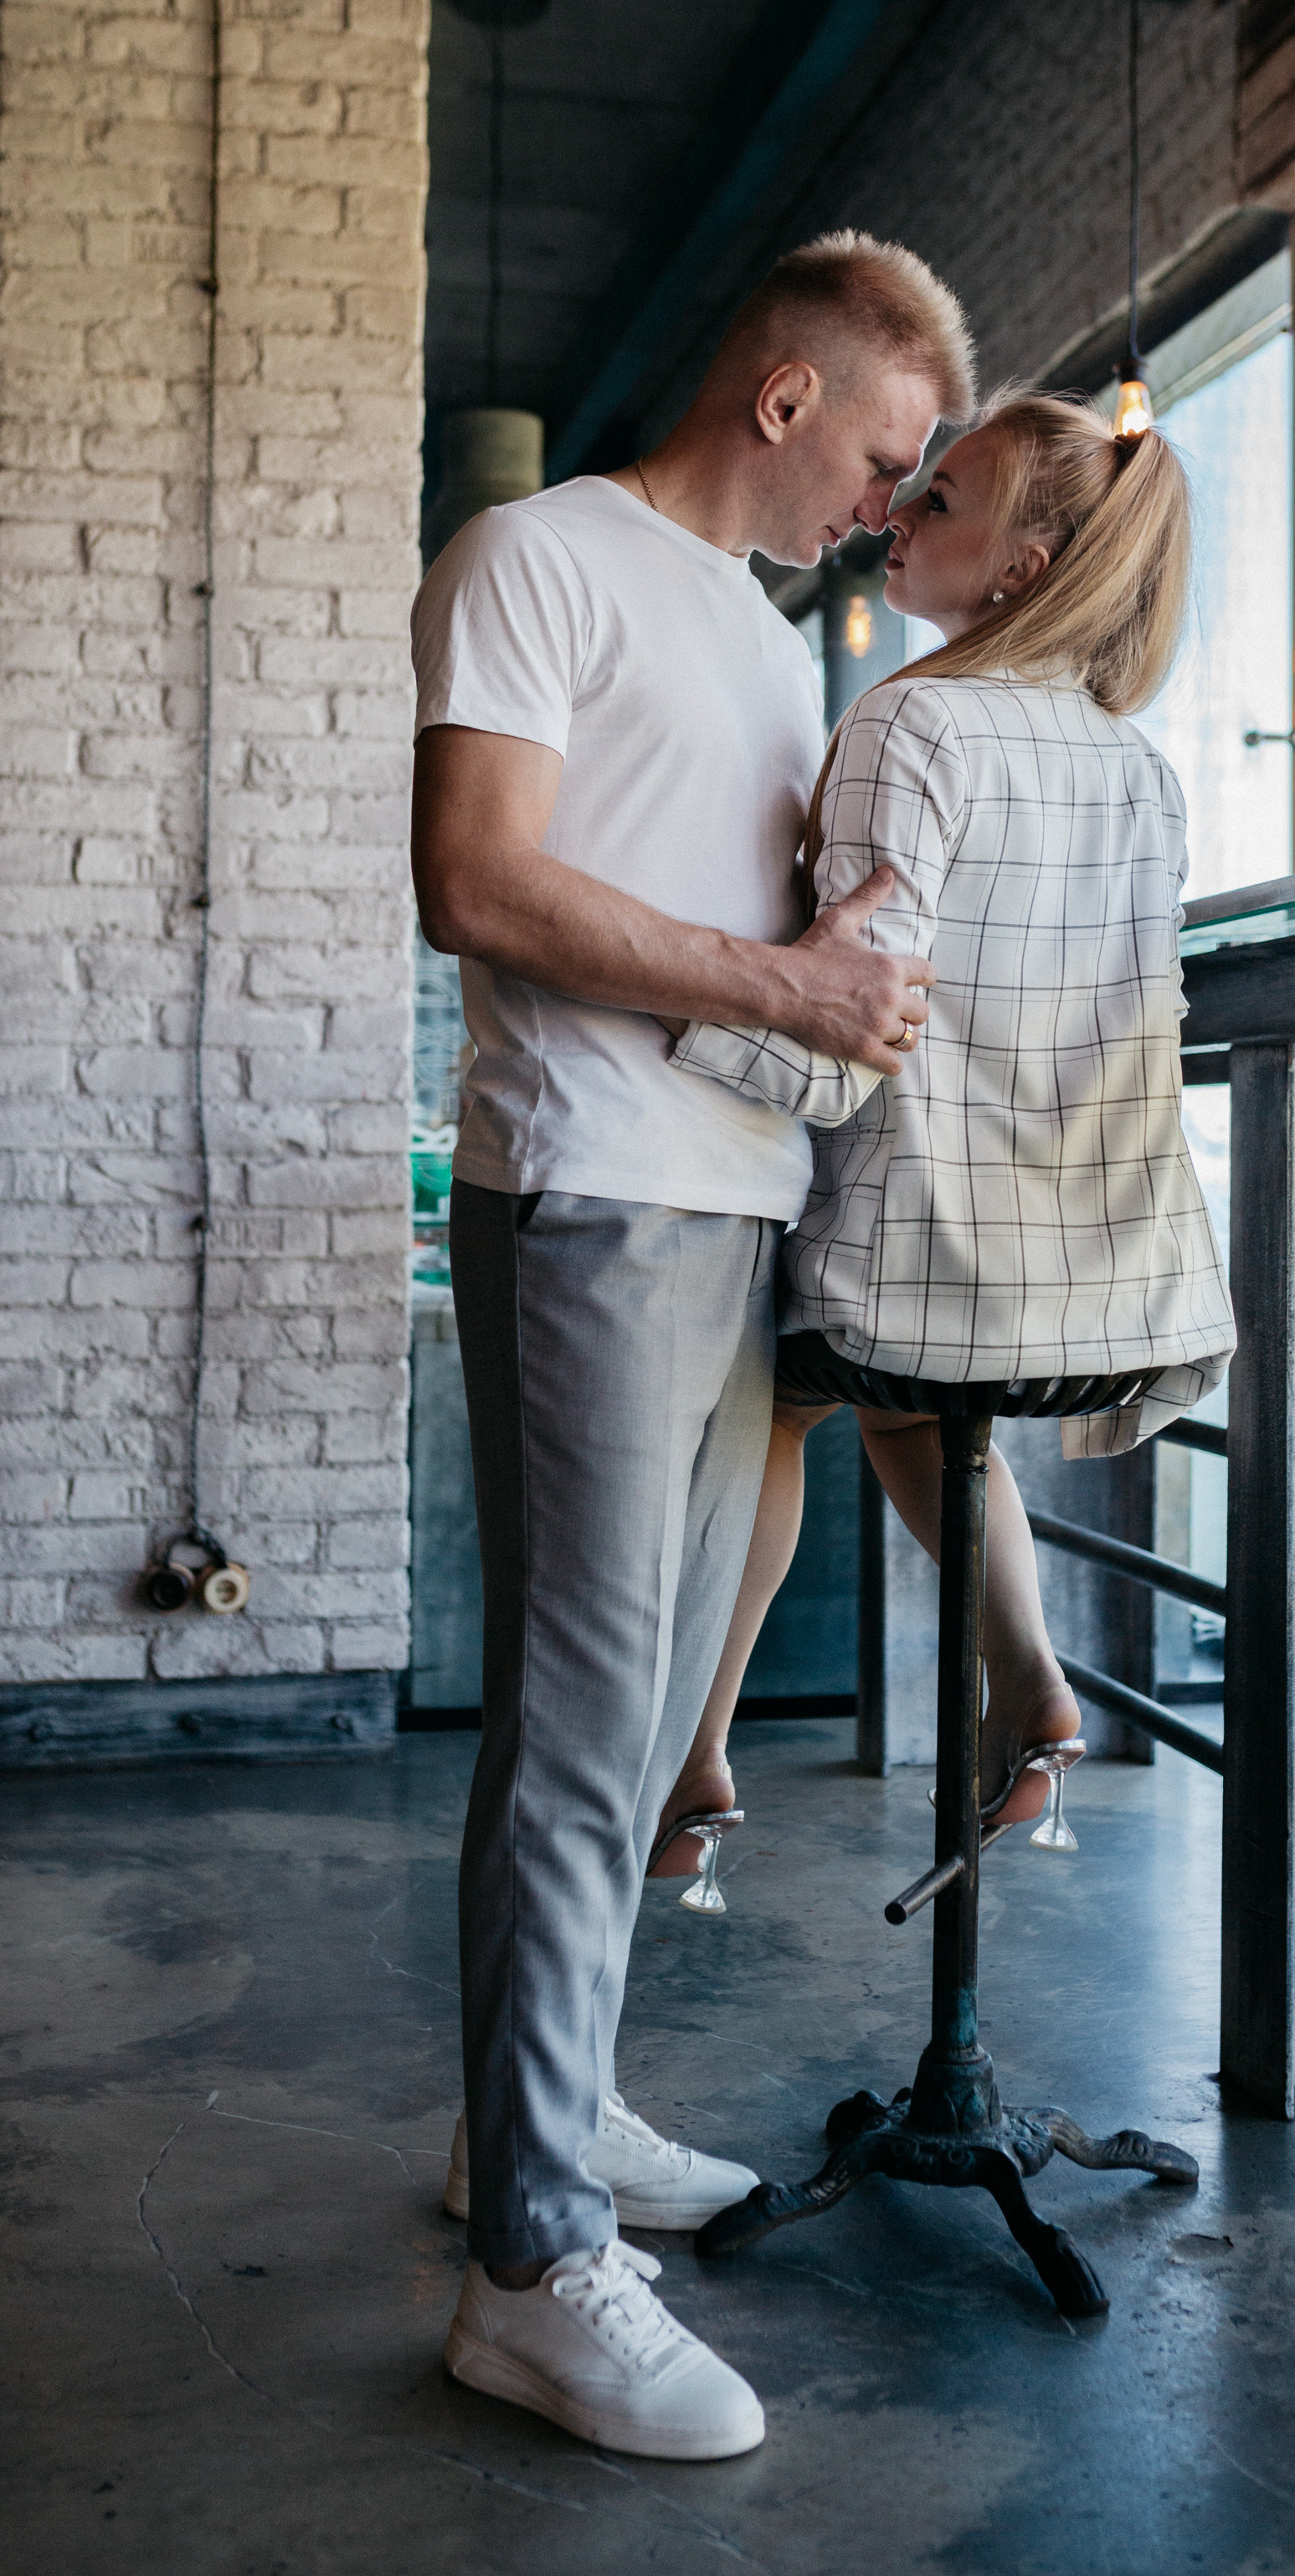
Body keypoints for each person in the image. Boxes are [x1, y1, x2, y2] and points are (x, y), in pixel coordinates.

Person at [409, 231, 974, 2464]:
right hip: (588, 1192)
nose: (888, 490)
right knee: (574, 1725)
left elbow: (772, 951)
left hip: (721, 1201)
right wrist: (789, 990)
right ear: (783, 393)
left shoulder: (757, 642)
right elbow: (477, 876)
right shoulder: (532, 554)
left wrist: (851, 966)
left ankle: (519, 2131)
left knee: (636, 1719)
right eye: (886, 446)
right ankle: (531, 2268)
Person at [654, 389, 1236, 1870]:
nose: (896, 515)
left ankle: (698, 1758)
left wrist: (675, 1014)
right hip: (1110, 1286)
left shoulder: (906, 721)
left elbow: (857, 1030)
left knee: (773, 1399)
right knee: (915, 1398)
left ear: (1022, 569)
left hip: (918, 1262)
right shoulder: (1139, 766)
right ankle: (1030, 1688)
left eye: (940, 499)